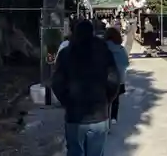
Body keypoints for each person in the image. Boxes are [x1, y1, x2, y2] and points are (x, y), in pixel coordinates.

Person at [52, 20, 120, 156]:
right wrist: (107, 100)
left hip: (74, 116)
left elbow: (57, 83)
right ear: (93, 32)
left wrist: (67, 102)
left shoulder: (66, 54)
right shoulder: (104, 52)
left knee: (75, 152)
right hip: (99, 114)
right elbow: (114, 80)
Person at [104, 27, 129, 125]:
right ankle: (114, 117)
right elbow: (126, 64)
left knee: (105, 101)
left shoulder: (102, 47)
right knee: (115, 98)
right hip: (118, 79)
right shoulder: (121, 49)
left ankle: (105, 119)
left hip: (104, 78)